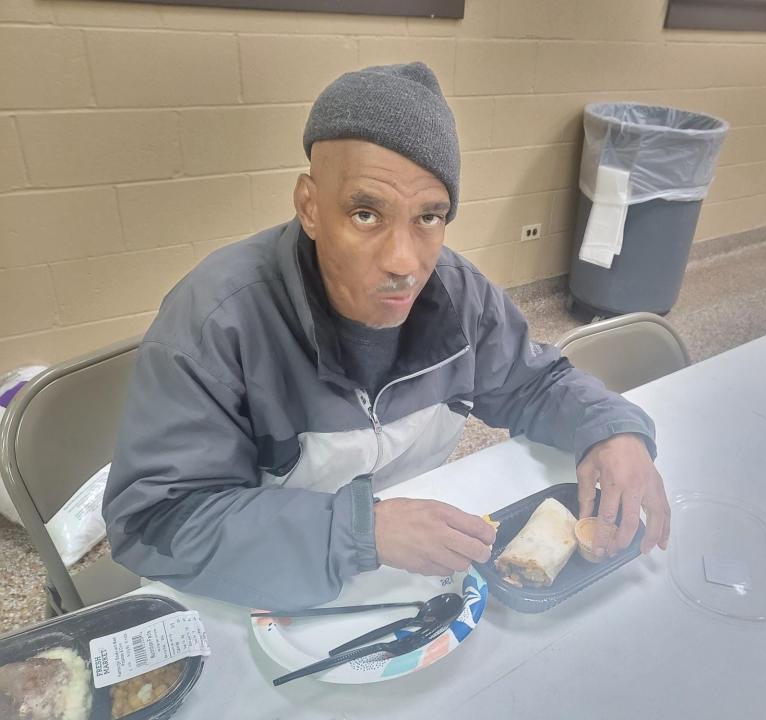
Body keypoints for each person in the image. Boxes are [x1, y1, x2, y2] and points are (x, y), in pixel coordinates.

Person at [103, 62, 670, 609]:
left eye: (428, 217)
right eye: (366, 214)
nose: (404, 263)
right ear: (309, 206)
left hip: (419, 586)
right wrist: (360, 532)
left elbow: (534, 385)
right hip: (272, 598)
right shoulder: (218, 322)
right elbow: (157, 520)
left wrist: (608, 428)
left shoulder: (458, 295)